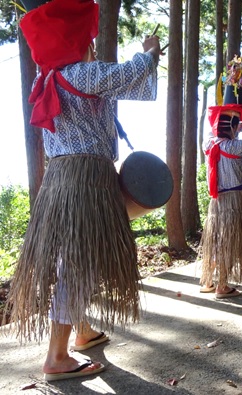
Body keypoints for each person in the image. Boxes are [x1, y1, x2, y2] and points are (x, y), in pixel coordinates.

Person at [4, 0, 161, 381]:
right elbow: (133, 75)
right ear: (76, 41)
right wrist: (150, 51)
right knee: (78, 263)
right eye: (86, 37)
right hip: (86, 178)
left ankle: (82, 330)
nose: (91, 43)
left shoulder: (47, 79)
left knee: (77, 257)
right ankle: (57, 357)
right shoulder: (82, 74)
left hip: (61, 180)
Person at [201, 104, 242, 298]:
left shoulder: (209, 144)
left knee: (216, 242)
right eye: (235, 124)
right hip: (234, 202)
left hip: (216, 203)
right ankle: (222, 286)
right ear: (231, 126)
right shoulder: (234, 146)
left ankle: (209, 281)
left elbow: (220, 136)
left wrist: (235, 127)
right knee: (229, 243)